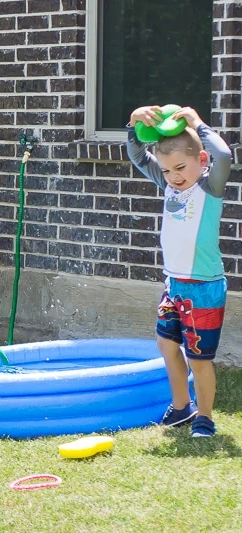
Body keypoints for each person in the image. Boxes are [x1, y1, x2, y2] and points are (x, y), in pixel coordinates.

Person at [127, 105, 231, 438]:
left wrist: (197, 124)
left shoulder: (208, 187)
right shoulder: (170, 185)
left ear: (201, 162)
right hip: (173, 284)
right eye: (168, 169)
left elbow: (224, 155)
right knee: (167, 345)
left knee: (199, 358)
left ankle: (205, 416)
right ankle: (181, 405)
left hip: (204, 287)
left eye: (181, 168)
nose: (174, 175)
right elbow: (139, 156)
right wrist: (134, 122)